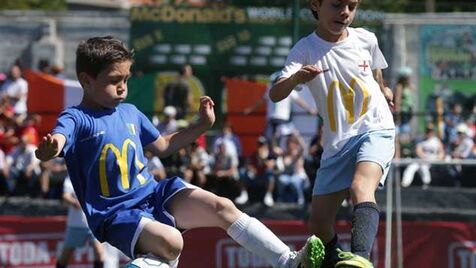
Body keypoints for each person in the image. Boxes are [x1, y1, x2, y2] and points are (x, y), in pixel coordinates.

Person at [35, 36, 324, 268]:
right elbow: (60, 137)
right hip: (115, 214)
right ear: (86, 81)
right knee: (173, 242)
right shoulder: (77, 117)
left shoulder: (131, 113)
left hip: (153, 194)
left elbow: (162, 146)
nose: (123, 88)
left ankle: (288, 262)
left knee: (223, 207)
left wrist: (201, 125)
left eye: (126, 79)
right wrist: (51, 149)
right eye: (114, 81)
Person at [269, 1, 396, 267]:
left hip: (376, 127)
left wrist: (383, 90)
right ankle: (338, 261)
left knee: (361, 187)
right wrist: (296, 79)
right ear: (315, 4)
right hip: (338, 142)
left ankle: (360, 259)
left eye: (352, 5)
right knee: (318, 224)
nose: (345, 12)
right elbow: (276, 92)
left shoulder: (366, 38)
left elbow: (375, 72)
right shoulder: (305, 49)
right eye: (337, 4)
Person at [244, 71, 317, 147]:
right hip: (281, 120)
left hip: (275, 120)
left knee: (272, 141)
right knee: (283, 140)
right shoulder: (285, 89)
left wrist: (249, 109)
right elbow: (299, 101)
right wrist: (310, 109)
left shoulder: (271, 89)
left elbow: (260, 102)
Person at [57, 176, 105, 268]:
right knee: (65, 256)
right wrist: (75, 202)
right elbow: (65, 195)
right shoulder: (71, 176)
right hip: (76, 224)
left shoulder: (95, 175)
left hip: (93, 223)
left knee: (99, 253)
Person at [401, 124, 445, 188]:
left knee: (423, 167)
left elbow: (441, 152)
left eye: (430, 131)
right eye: (427, 131)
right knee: (411, 166)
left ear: (433, 132)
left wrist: (437, 158)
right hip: (422, 159)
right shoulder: (421, 140)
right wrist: (424, 157)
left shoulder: (436, 141)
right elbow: (418, 151)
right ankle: (405, 184)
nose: (429, 132)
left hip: (433, 159)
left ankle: (426, 183)